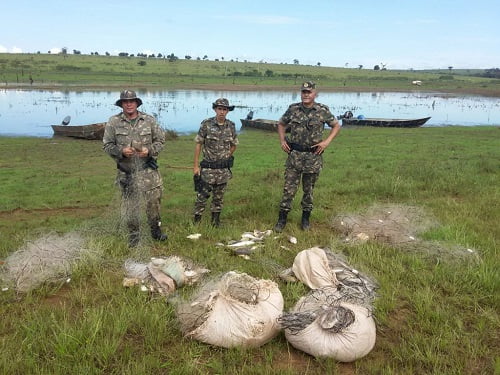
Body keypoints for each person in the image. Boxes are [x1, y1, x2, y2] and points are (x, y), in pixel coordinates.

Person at [103, 90, 168, 247]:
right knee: (131, 207)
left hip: (148, 172)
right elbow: (107, 145)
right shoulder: (113, 122)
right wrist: (121, 152)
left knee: (153, 204)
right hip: (127, 174)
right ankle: (134, 236)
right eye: (125, 102)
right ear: (122, 104)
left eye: (132, 101)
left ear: (137, 103)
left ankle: (156, 232)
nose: (129, 104)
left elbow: (161, 141)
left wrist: (149, 151)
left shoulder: (149, 120)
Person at [274, 81, 341, 232]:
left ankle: (305, 220)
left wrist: (326, 142)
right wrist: (282, 140)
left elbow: (336, 125)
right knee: (288, 189)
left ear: (315, 94)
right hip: (294, 156)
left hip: (313, 156)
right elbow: (281, 124)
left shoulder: (322, 110)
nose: (306, 94)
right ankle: (282, 220)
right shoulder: (293, 109)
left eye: (309, 92)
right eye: (303, 92)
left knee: (308, 190)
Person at [193, 98, 238, 227]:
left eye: (225, 109)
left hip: (223, 170)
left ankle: (215, 222)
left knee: (219, 197)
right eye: (219, 109)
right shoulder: (206, 124)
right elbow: (198, 144)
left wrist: (227, 155)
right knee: (202, 196)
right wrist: (196, 166)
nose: (222, 112)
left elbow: (234, 144)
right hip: (208, 168)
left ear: (228, 111)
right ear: (215, 109)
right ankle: (196, 222)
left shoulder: (231, 126)